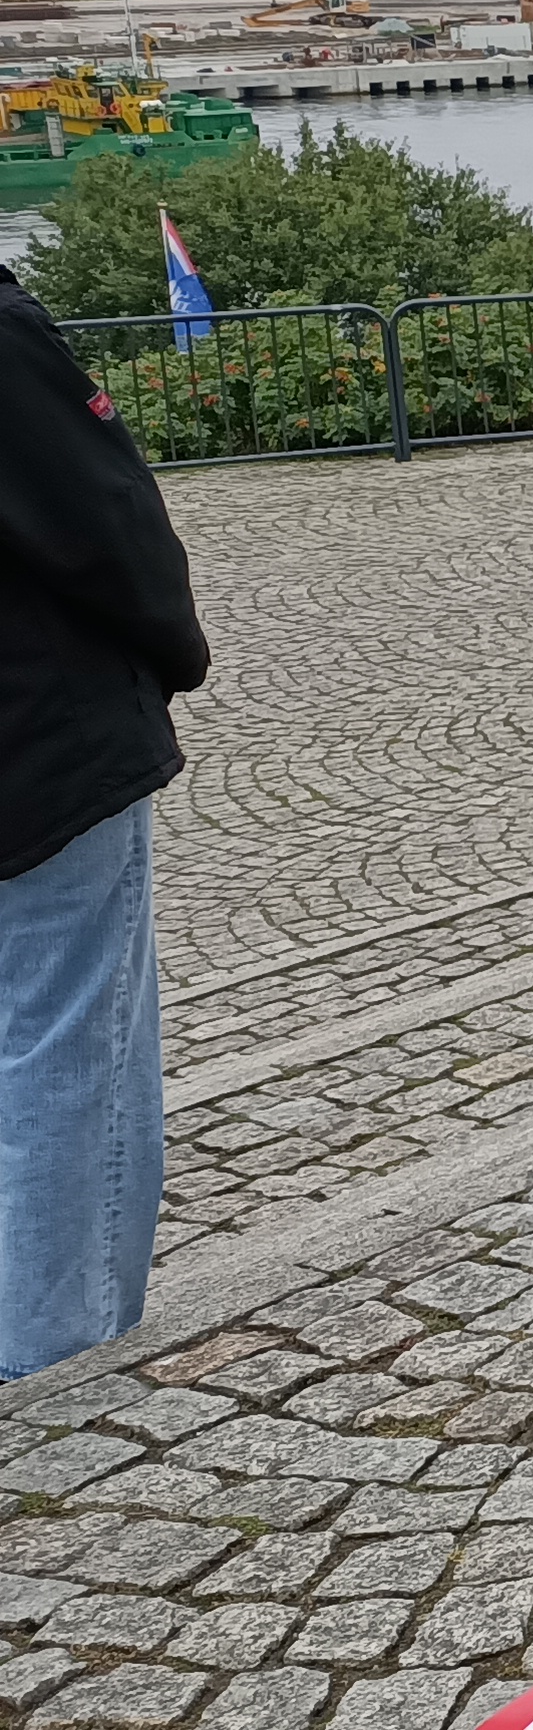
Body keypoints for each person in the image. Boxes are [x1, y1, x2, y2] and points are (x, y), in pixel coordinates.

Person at [0, 259, 207, 1378]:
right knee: (63, 1044)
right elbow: (104, 521)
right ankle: (57, 1356)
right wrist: (174, 649)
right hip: (33, 751)